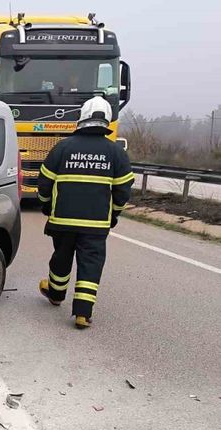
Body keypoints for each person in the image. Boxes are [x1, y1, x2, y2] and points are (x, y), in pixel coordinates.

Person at [37, 97, 134, 329]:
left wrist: (46, 205)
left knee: (61, 257)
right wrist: (114, 214)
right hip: (96, 224)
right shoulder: (116, 152)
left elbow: (44, 182)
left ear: (82, 117)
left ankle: (56, 294)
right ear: (107, 120)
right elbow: (123, 191)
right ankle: (82, 313)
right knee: (91, 263)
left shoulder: (63, 147)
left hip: (62, 220)